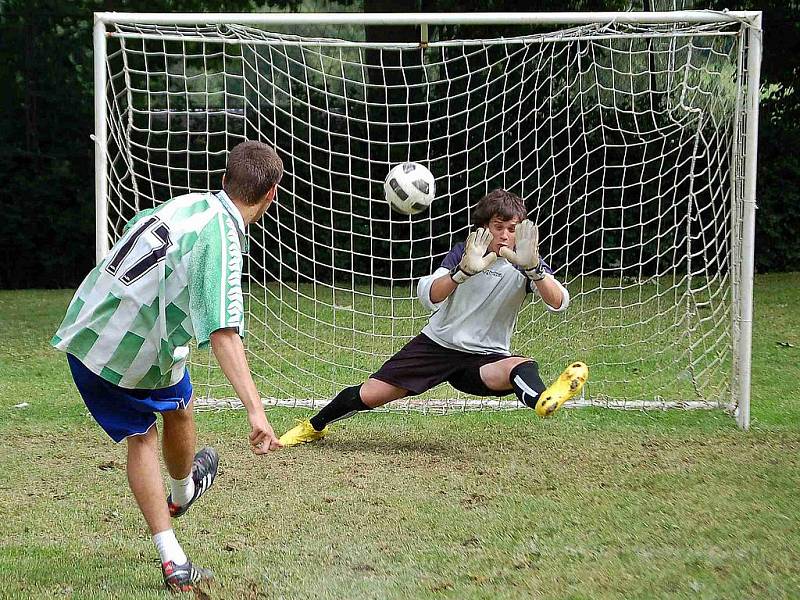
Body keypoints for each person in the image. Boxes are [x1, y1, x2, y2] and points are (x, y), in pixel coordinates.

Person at [51, 140, 284, 592]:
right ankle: (172, 557)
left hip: (86, 329)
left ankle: (182, 494)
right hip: (128, 350)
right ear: (271, 194)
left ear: (223, 181)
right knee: (144, 435)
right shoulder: (222, 239)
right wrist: (256, 411)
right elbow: (223, 334)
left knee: (180, 405)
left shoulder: (186, 204)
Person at [279, 189, 588, 447]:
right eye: (498, 227)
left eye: (512, 229)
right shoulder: (465, 252)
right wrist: (462, 272)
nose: (505, 236)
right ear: (484, 227)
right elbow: (429, 294)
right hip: (437, 346)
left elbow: (559, 302)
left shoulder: (527, 260)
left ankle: (543, 400)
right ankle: (314, 426)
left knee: (517, 365)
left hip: (486, 359)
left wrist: (534, 270)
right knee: (369, 394)